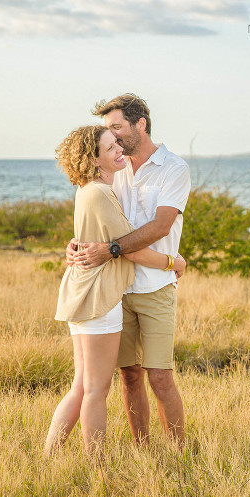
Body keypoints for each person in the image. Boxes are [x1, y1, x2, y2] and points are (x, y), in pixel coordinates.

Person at [44, 124, 185, 459]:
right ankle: (98, 467)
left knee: (82, 385)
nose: (119, 149)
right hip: (100, 296)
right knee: (95, 389)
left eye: (117, 143)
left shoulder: (89, 189)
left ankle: (49, 458)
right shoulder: (101, 192)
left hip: (86, 293)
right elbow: (129, 248)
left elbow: (95, 237)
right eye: (110, 148)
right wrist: (173, 262)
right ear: (94, 160)